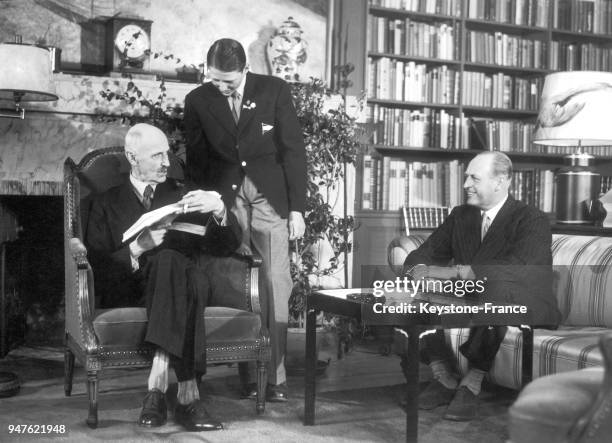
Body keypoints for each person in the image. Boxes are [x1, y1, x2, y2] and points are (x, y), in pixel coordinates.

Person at [85, 123, 240, 431]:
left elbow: (227, 247)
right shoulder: (103, 203)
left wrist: (220, 209)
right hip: (134, 287)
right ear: (132, 156)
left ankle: (157, 386)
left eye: (167, 155)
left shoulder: (185, 195)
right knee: (181, 272)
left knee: (178, 267)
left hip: (188, 281)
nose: (167, 163)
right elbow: (96, 266)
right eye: (156, 156)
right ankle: (187, 395)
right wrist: (137, 248)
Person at [184, 38, 307, 402]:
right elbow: (196, 161)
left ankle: (276, 378)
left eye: (229, 82)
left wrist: (297, 209)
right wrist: (203, 209)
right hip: (226, 199)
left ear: (245, 71)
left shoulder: (274, 91)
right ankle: (250, 373)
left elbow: (293, 150)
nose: (221, 88)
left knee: (274, 282)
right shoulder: (197, 100)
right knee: (240, 282)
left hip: (270, 196)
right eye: (215, 80)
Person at [403, 151, 561, 421]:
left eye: (474, 178)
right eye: (466, 177)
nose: (465, 185)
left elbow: (515, 271)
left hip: (523, 300)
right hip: (473, 296)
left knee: (496, 293)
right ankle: (443, 376)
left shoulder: (530, 218)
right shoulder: (461, 216)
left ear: (500, 182)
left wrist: (452, 276)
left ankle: (472, 382)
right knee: (412, 290)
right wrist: (420, 273)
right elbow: (423, 254)